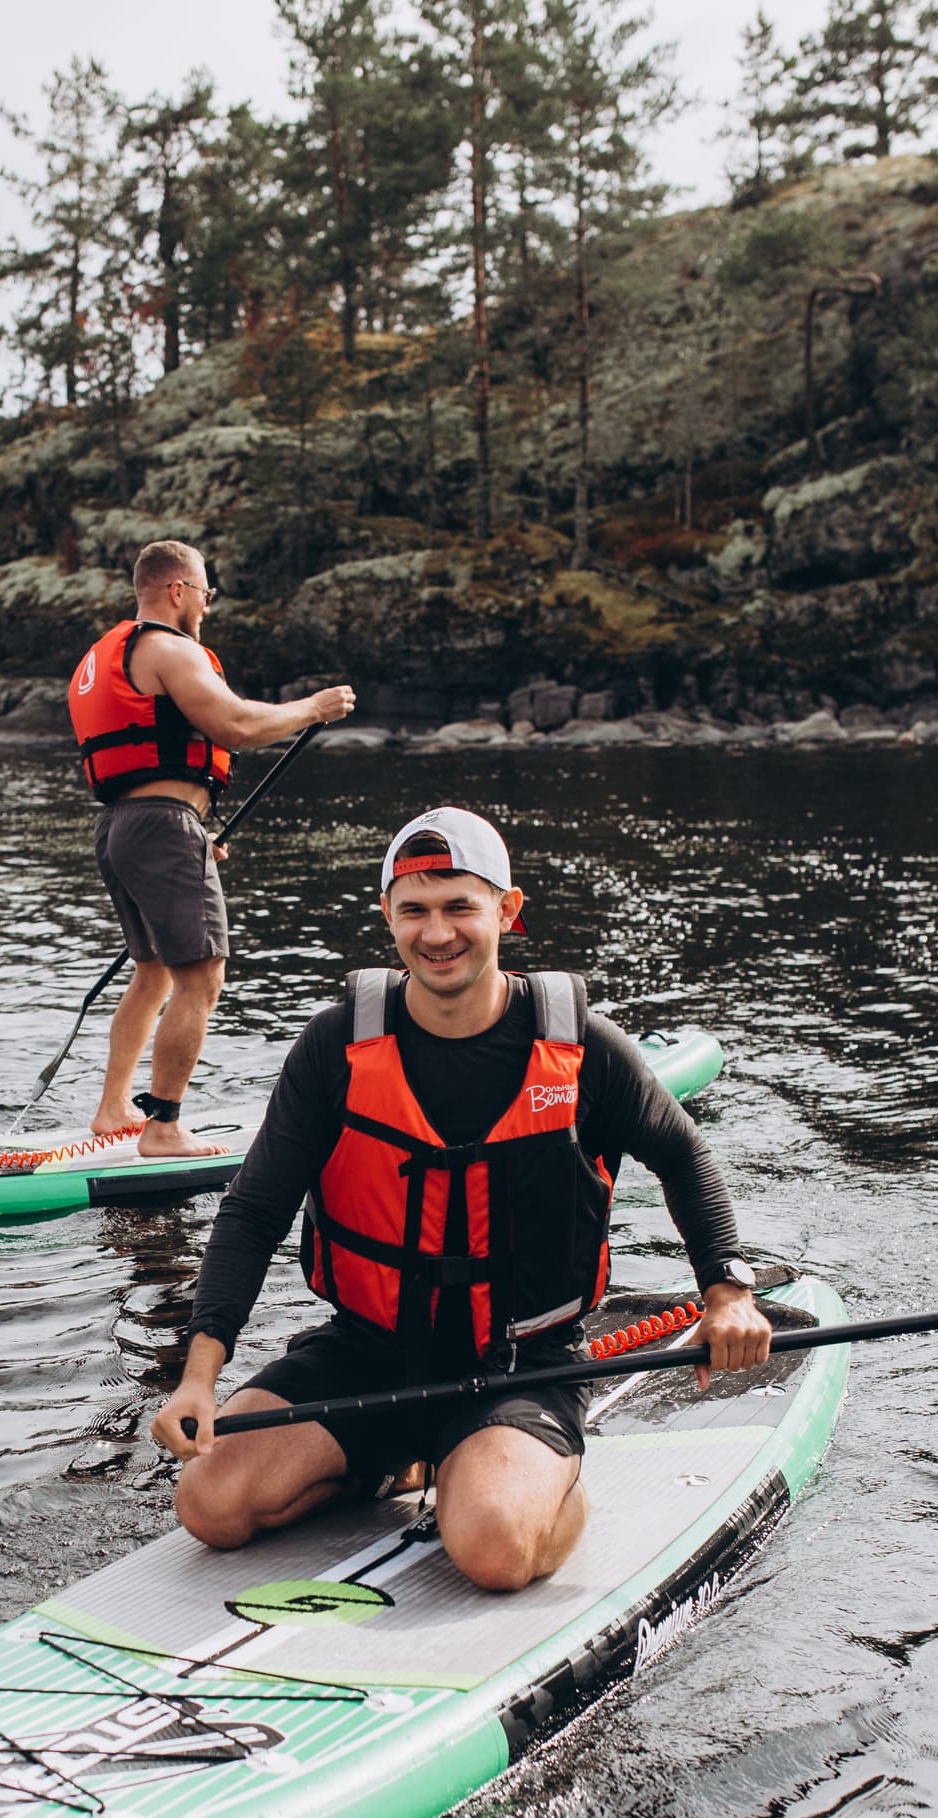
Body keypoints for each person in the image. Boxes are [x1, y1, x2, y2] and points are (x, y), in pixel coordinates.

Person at [153, 805, 772, 1593]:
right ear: (388, 916)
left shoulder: (584, 1046)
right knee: (210, 1504)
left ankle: (531, 1484)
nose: (437, 933)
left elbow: (685, 1156)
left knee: (492, 1549)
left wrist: (727, 1291)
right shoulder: (333, 1048)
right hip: (367, 1355)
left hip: (520, 1364)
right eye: (414, 910)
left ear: (506, 911)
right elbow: (253, 1213)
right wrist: (200, 1376)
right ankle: (398, 1462)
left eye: (459, 907)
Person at [68, 539, 355, 1161]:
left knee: (153, 971)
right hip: (159, 827)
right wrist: (313, 707)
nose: (206, 606)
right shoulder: (169, 648)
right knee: (201, 978)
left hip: (120, 826)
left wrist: (191, 833)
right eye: (205, 593)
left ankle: (114, 1108)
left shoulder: (101, 655)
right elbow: (237, 726)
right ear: (178, 590)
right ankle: (163, 1127)